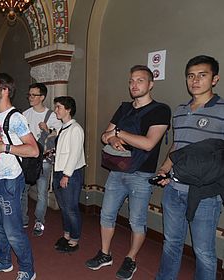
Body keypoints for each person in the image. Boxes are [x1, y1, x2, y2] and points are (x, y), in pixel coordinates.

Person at [85, 65, 171, 280]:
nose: (134, 84)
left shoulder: (161, 110)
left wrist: (118, 132)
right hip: (117, 170)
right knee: (106, 214)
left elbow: (149, 143)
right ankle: (105, 254)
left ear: (151, 84)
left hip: (141, 175)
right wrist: (113, 137)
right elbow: (104, 136)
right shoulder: (124, 108)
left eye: (140, 80)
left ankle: (131, 258)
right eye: (132, 80)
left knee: (137, 220)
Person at [155, 55, 224, 280]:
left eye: (202, 75)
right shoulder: (180, 109)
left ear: (215, 79)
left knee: (203, 252)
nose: (195, 80)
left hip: (204, 194)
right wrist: (164, 170)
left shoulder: (222, 109)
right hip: (174, 190)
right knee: (171, 244)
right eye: (191, 76)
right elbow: (177, 146)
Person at [0, 73, 38, 280]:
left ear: (5, 90)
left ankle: (27, 268)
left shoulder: (15, 117)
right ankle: (4, 260)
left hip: (10, 180)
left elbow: (33, 150)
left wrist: (5, 147)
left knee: (13, 229)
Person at [21, 83, 62, 236]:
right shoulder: (25, 114)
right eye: (29, 95)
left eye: (34, 95)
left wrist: (48, 130)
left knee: (42, 192)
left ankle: (39, 221)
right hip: (27, 160)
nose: (30, 97)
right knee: (23, 191)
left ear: (42, 97)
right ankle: (23, 219)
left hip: (44, 160)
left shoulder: (51, 115)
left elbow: (59, 132)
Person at [52, 96, 85, 253]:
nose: (56, 110)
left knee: (71, 208)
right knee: (64, 207)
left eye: (59, 107)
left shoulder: (75, 129)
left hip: (70, 174)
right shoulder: (63, 128)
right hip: (60, 172)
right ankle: (66, 235)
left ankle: (75, 238)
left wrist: (66, 175)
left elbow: (74, 154)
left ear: (68, 109)